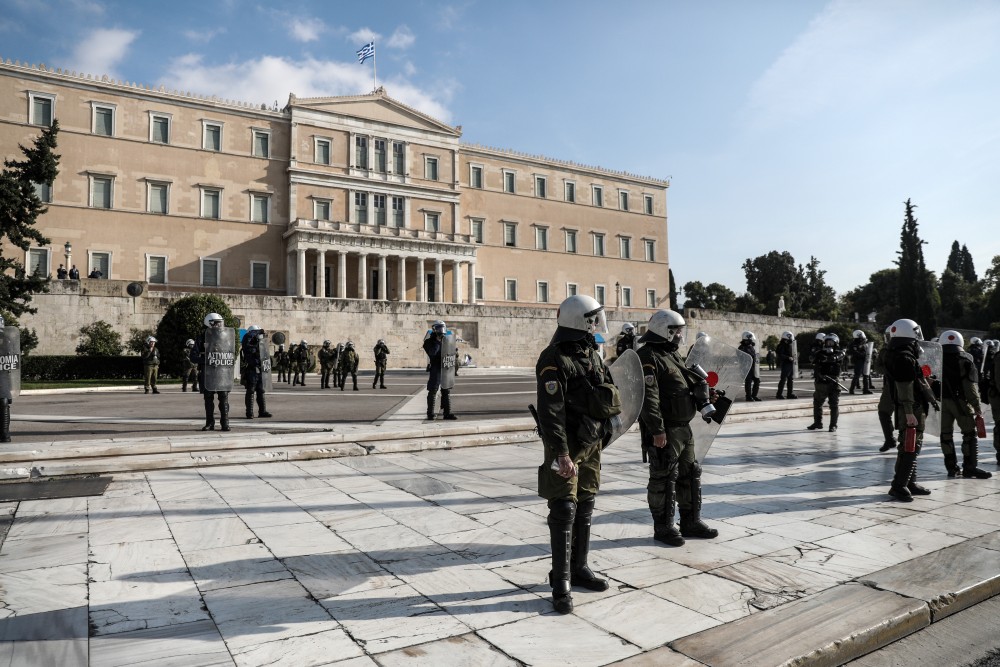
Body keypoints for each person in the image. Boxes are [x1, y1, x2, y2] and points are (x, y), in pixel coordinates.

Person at [534, 294, 613, 614]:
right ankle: (561, 580)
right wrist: (562, 453)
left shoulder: (590, 353)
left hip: (591, 442)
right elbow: (550, 412)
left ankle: (579, 567)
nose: (597, 324)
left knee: (586, 504)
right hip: (565, 445)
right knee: (564, 508)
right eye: (593, 319)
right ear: (580, 321)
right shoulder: (553, 358)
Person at [638, 308, 718, 547]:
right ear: (666, 331)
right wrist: (657, 430)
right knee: (664, 477)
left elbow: (683, 385)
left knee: (690, 473)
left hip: (684, 427)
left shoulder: (671, 355)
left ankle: (690, 521)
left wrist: (702, 395)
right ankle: (663, 527)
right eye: (677, 332)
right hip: (667, 429)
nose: (680, 337)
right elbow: (648, 397)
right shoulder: (648, 356)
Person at [885, 318, 932, 501]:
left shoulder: (897, 352)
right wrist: (910, 412)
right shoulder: (904, 357)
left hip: (909, 406)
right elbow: (905, 387)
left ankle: (910, 482)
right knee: (911, 446)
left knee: (911, 444)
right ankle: (899, 485)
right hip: (911, 407)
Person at [939, 330, 990, 479]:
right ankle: (969, 467)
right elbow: (970, 388)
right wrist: (977, 407)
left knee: (945, 434)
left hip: (942, 403)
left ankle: (951, 468)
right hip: (960, 402)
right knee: (969, 434)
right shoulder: (965, 361)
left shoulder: (936, 360)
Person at [190, 312, 232, 432]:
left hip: (222, 372)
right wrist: (207, 359)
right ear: (209, 323)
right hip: (208, 372)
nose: (219, 326)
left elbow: (230, 353)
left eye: (220, 323)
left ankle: (225, 423)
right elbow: (193, 356)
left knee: (223, 397)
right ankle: (210, 423)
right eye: (216, 323)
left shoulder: (225, 337)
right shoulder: (201, 337)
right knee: (208, 398)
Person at [807, 333, 844, 432]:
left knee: (834, 405)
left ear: (835, 343)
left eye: (831, 342)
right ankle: (817, 423)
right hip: (821, 382)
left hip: (833, 382)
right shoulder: (820, 352)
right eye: (827, 342)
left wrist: (828, 358)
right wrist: (816, 354)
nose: (829, 344)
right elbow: (812, 359)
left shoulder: (839, 352)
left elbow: (837, 357)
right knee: (817, 403)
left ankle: (833, 425)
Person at [424, 320, 457, 420]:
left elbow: (451, 352)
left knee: (446, 390)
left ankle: (447, 413)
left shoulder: (447, 340)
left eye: (442, 327)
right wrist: (438, 341)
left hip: (445, 367)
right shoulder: (429, 341)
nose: (440, 330)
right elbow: (432, 353)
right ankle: (430, 413)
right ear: (434, 329)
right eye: (438, 328)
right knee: (433, 390)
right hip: (435, 368)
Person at [240, 325, 272, 419]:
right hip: (252, 369)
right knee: (251, 391)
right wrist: (256, 339)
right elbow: (250, 349)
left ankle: (262, 411)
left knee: (261, 391)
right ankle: (249, 412)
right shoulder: (248, 339)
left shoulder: (258, 342)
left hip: (260, 368)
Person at [876, 326, 897, 452]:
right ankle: (889, 439)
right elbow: (877, 367)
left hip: (911, 386)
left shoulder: (916, 349)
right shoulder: (885, 350)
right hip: (891, 386)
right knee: (883, 411)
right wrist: (889, 372)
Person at [848, 330, 873, 395]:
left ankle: (866, 389)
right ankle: (851, 389)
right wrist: (864, 355)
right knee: (857, 375)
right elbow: (855, 353)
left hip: (864, 360)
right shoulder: (854, 344)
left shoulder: (863, 343)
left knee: (866, 375)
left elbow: (867, 351)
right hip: (858, 360)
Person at [738, 331, 761, 402]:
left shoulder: (752, 347)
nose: (751, 342)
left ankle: (754, 395)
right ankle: (748, 396)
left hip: (754, 367)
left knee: (757, 380)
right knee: (748, 382)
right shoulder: (741, 347)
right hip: (747, 367)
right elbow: (741, 357)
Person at [775, 331, 798, 399]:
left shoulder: (789, 345)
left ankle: (790, 394)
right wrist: (788, 357)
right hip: (785, 363)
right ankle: (779, 394)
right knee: (783, 379)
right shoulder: (781, 346)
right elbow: (780, 355)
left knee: (790, 379)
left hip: (791, 363)